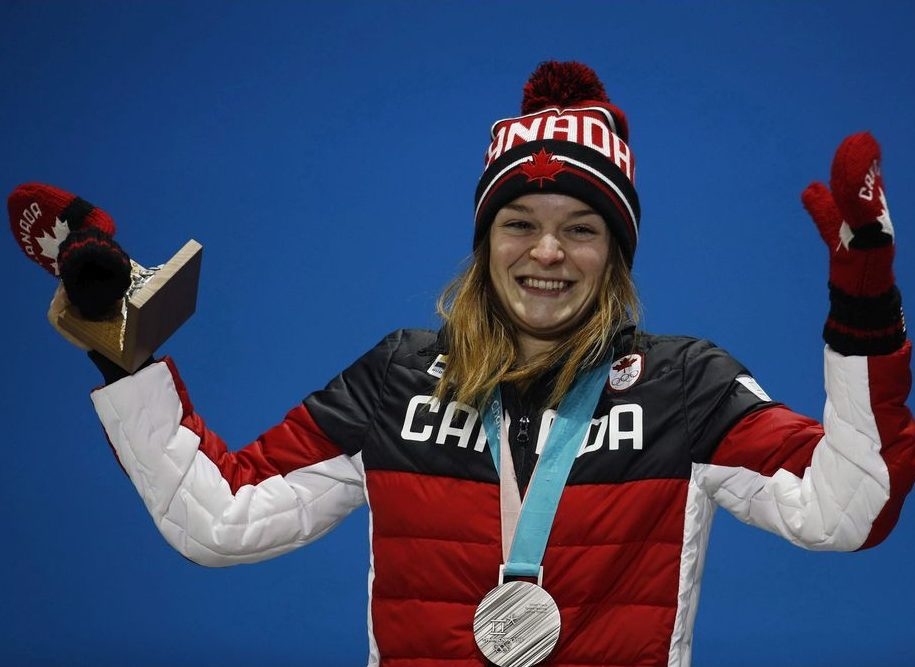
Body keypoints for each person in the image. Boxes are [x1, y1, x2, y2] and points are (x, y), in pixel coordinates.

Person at [20, 61, 915, 666]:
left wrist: (863, 308)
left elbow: (847, 510)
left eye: (581, 229)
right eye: (519, 224)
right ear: (485, 242)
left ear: (616, 252)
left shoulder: (686, 387)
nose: (547, 253)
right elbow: (219, 520)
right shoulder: (396, 379)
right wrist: (123, 355)